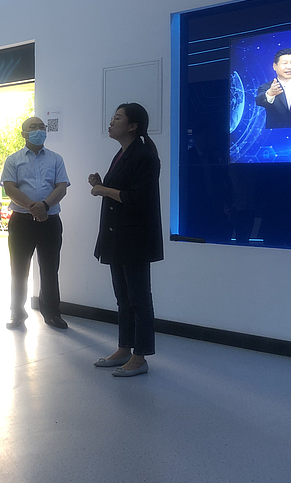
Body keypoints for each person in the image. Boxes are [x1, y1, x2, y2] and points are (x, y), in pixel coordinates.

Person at [89, 103, 163, 377]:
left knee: (139, 299)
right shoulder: (122, 153)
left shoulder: (144, 155)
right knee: (123, 297)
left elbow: (138, 199)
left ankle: (140, 356)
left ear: (133, 126)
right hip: (118, 236)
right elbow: (121, 189)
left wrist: (104, 190)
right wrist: (101, 184)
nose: (111, 122)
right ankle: (124, 348)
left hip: (135, 238)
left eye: (117, 118)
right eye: (113, 117)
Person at [1, 116, 70, 329]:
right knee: (18, 269)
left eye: (42, 127)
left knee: (50, 269)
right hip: (21, 222)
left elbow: (61, 187)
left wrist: (45, 206)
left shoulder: (56, 159)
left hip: (50, 221)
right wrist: (33, 207)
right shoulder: (13, 159)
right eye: (33, 127)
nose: (38, 130)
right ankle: (17, 313)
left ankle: (52, 313)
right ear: (24, 133)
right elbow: (10, 188)